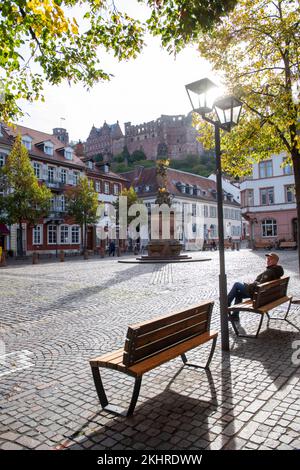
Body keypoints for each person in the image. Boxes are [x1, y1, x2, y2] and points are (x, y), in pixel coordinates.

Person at [227, 252, 284, 321]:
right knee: (238, 294)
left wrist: (250, 285)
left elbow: (260, 286)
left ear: (275, 261)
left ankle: (226, 302)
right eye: (267, 259)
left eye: (270, 259)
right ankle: (235, 316)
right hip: (265, 296)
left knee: (236, 284)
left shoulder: (269, 272)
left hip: (258, 296)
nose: (268, 261)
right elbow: (262, 284)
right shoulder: (277, 270)